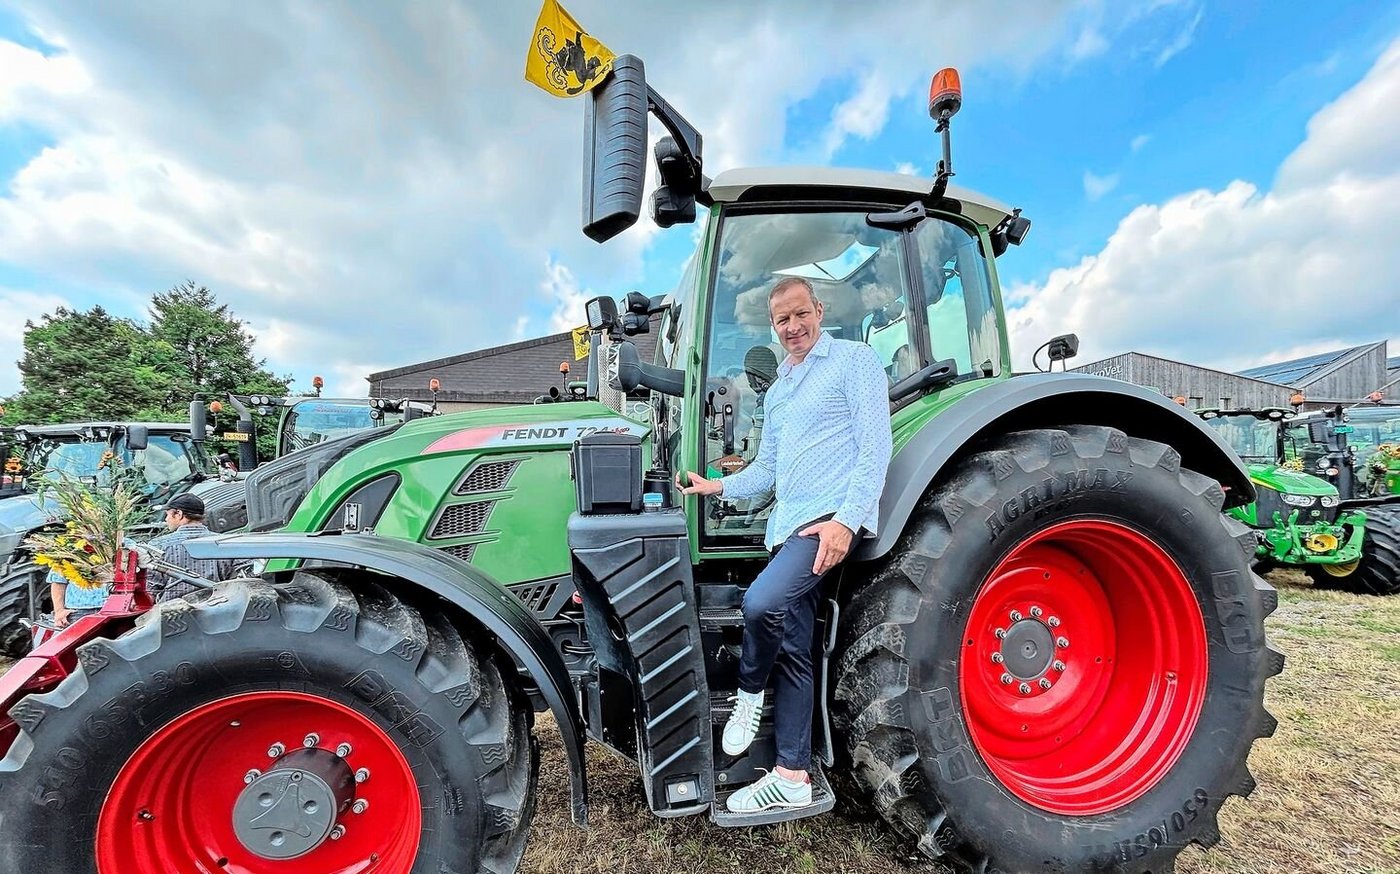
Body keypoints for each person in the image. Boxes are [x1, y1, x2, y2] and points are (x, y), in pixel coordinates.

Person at [677, 275, 892, 813]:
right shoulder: (779, 390)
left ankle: (747, 696)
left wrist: (847, 521)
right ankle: (792, 775)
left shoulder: (854, 361)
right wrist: (717, 486)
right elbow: (768, 469)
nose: (793, 327)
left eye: (800, 315)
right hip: (788, 525)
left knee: (761, 603)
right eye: (782, 321)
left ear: (818, 310)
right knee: (795, 652)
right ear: (772, 327)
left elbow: (875, 446)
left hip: (824, 522)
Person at [146, 492, 235, 602]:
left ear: (179, 514)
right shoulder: (226, 543)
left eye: (167, 514)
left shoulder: (158, 545)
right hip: (220, 611)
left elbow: (150, 591)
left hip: (171, 615)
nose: (166, 519)